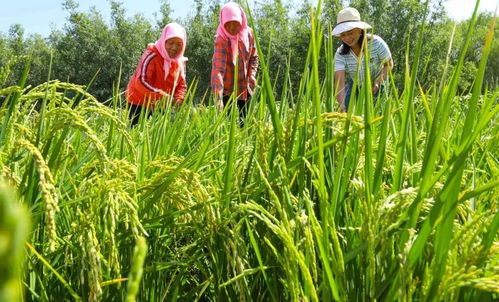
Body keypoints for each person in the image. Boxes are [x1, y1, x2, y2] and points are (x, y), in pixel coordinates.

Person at [126, 22, 188, 126]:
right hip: (139, 102)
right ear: (164, 41)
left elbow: (181, 84)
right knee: (135, 134)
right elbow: (141, 82)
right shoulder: (151, 56)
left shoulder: (180, 62)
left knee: (161, 136)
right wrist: (164, 97)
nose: (174, 48)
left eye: (178, 44)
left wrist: (179, 99)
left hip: (161, 104)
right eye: (170, 43)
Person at [333, 7, 393, 112]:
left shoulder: (377, 43)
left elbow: (389, 65)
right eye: (343, 35)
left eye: (350, 33)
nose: (347, 38)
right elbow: (340, 82)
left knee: (377, 115)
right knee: (347, 112)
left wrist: (377, 82)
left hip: (378, 84)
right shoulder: (340, 53)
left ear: (359, 30)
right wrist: (341, 106)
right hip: (355, 84)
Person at [211, 2, 259, 123]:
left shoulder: (248, 34)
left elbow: (254, 57)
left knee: (246, 123)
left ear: (241, 21)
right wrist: (218, 99)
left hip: (245, 88)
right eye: (228, 24)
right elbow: (218, 71)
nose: (232, 28)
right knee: (227, 125)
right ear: (223, 22)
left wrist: (252, 75)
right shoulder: (221, 39)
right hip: (227, 90)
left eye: (235, 23)